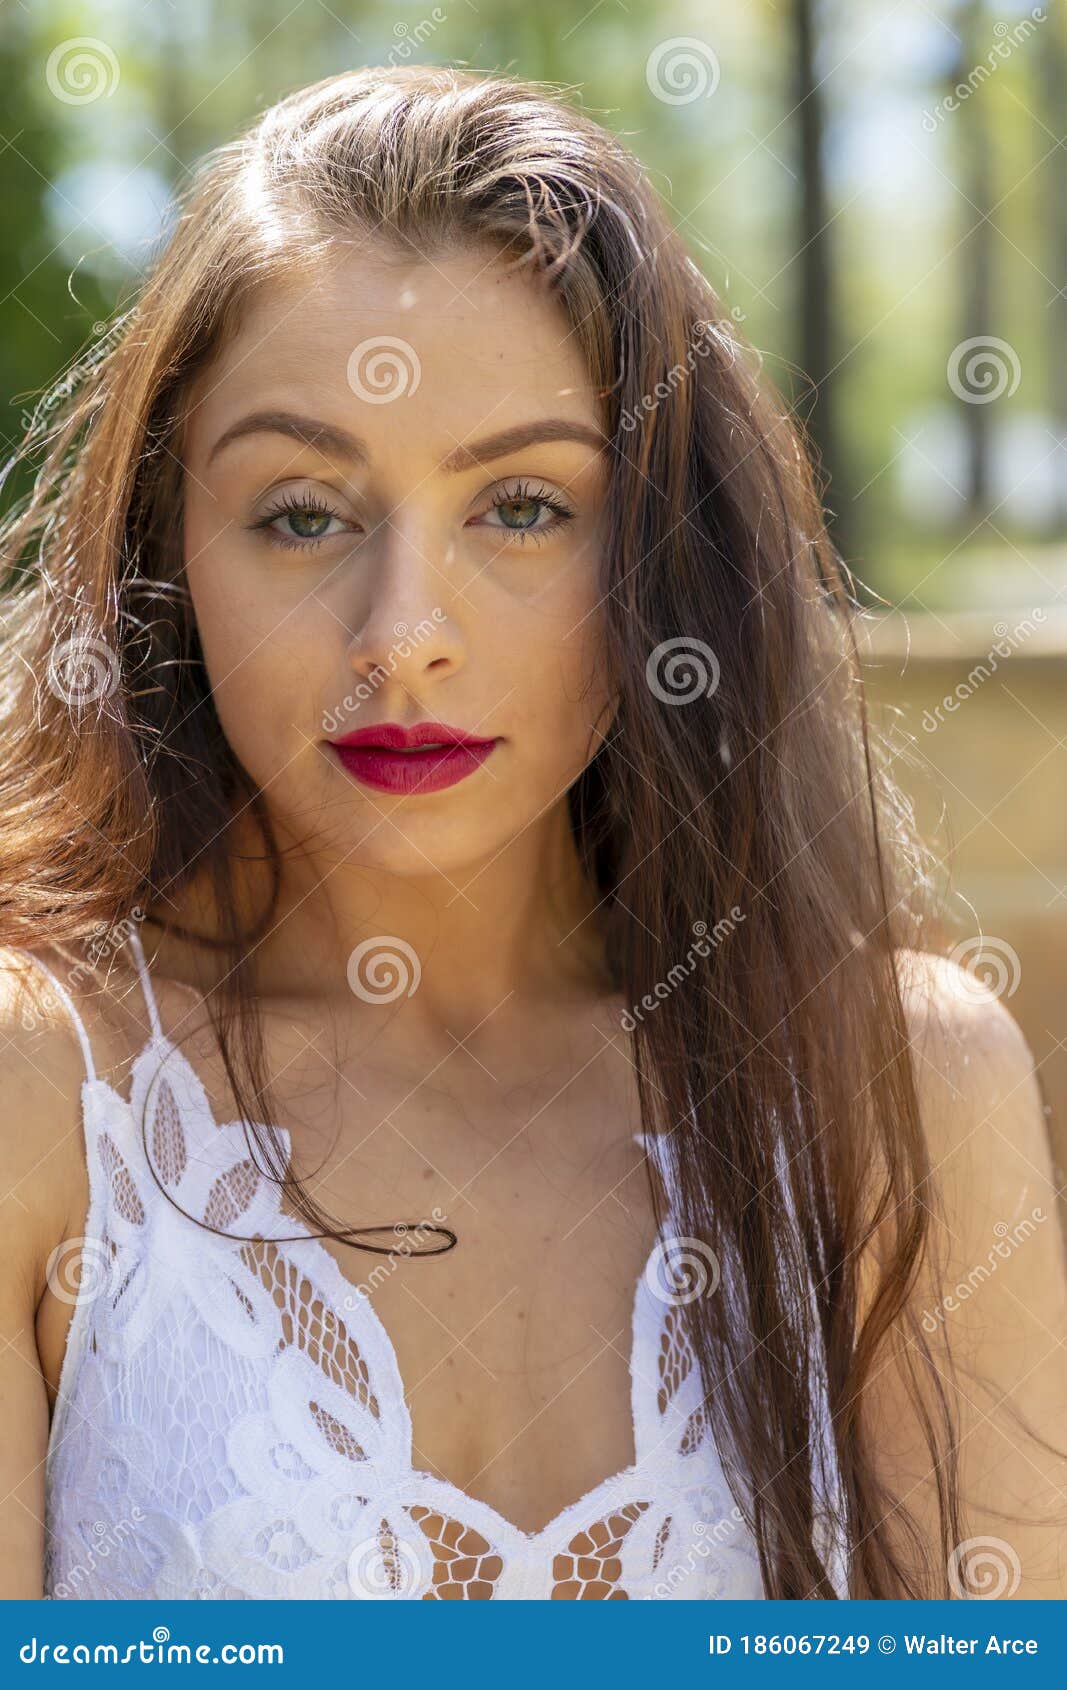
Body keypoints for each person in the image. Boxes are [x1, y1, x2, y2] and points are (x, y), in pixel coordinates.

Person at [0, 65, 1063, 1602]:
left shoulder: (895, 1088)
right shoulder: (45, 1087)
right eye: (302, 511)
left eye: (522, 508)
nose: (404, 635)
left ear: (666, 551)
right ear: (169, 552)